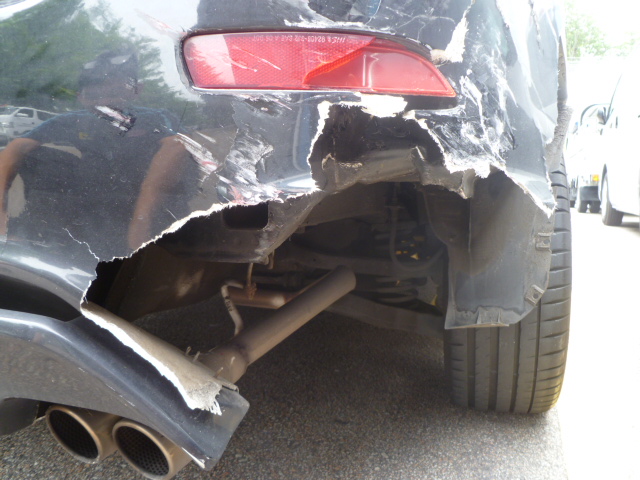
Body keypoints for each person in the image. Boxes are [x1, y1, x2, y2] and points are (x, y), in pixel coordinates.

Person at [0, 49, 195, 258]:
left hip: (146, 211)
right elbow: (17, 147)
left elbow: (177, 145)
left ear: (137, 90)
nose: (105, 103)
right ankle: (40, 234)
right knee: (41, 157)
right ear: (81, 98)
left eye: (115, 93)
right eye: (94, 96)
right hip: (91, 210)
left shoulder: (156, 118)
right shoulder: (75, 121)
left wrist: (141, 221)